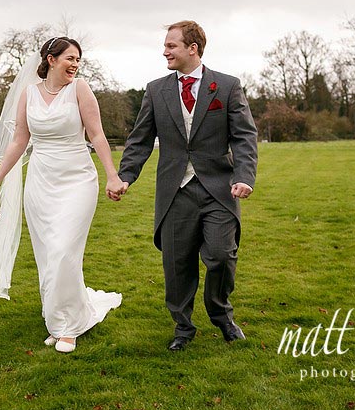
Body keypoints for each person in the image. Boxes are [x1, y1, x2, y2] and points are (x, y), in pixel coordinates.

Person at [110, 20, 258, 351]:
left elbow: (245, 137)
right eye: (165, 45)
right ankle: (183, 326)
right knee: (177, 264)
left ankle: (221, 314)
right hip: (175, 191)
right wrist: (125, 177)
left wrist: (244, 177)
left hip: (219, 189)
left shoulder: (227, 86)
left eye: (171, 45)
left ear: (193, 48)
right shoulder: (156, 90)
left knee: (221, 255)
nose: (165, 51)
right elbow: (140, 140)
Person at [0, 36, 125, 353]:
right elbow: (19, 141)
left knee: (63, 249)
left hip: (78, 180)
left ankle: (69, 327)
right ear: (51, 59)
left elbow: (96, 133)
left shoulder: (80, 89)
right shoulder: (29, 94)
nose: (75, 65)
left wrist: (112, 175)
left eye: (78, 60)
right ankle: (58, 320)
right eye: (70, 58)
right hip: (41, 183)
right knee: (47, 255)